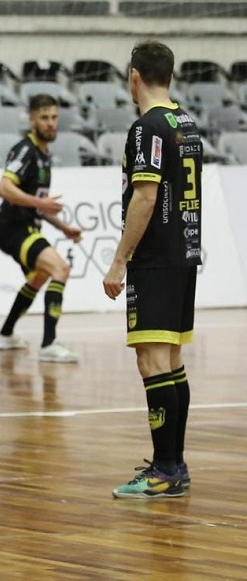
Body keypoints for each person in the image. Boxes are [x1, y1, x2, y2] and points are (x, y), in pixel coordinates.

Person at [104, 40, 201, 499]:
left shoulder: (147, 127)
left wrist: (119, 260)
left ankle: (164, 469)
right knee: (174, 361)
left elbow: (144, 196)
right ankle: (175, 465)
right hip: (184, 254)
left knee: (151, 361)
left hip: (156, 258)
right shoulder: (186, 121)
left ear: (135, 76)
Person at [0, 93, 83, 362]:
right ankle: (49, 344)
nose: (51, 123)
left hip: (25, 227)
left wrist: (64, 227)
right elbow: (4, 188)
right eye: (44, 118)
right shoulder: (26, 150)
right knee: (60, 269)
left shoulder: (44, 155)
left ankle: (5, 335)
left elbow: (38, 205)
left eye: (54, 117)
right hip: (12, 228)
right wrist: (37, 202)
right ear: (32, 119)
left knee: (40, 276)